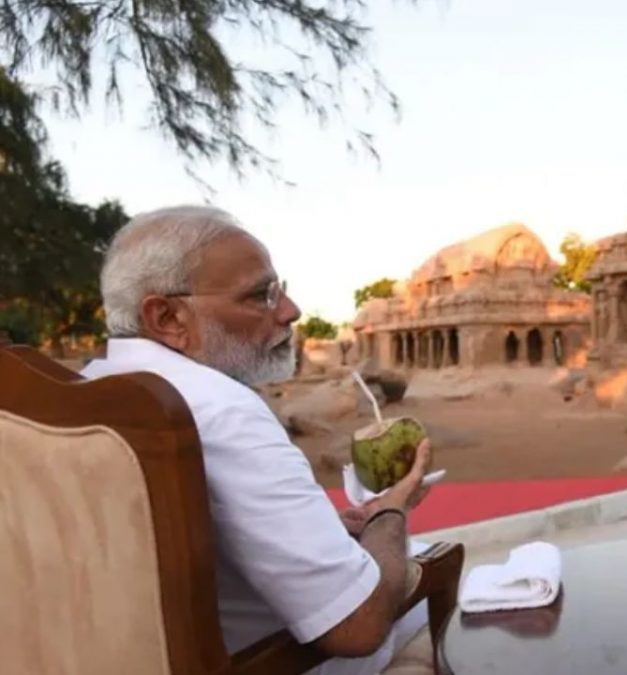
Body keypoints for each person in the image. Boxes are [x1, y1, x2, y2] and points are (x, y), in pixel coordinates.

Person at [82, 206, 431, 675]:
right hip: (264, 661)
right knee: (437, 591)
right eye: (260, 295)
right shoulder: (221, 409)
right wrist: (390, 511)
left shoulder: (91, 389)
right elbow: (359, 626)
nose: (291, 311)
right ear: (167, 317)